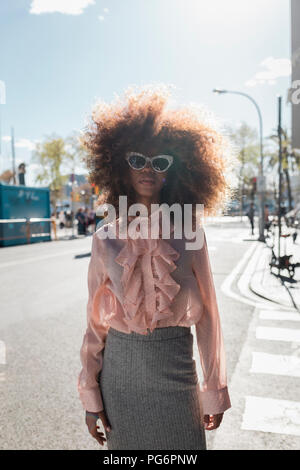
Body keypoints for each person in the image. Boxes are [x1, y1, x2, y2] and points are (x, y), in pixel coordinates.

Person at [77, 85, 234, 450]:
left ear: (174, 171)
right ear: (119, 166)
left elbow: (209, 317)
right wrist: (90, 395)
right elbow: (95, 324)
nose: (148, 169)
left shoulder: (191, 233)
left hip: (177, 378)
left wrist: (213, 390)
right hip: (119, 381)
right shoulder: (104, 239)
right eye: (137, 160)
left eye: (160, 161)